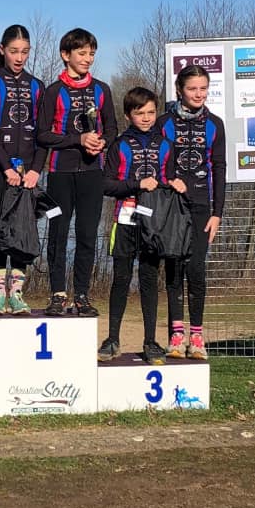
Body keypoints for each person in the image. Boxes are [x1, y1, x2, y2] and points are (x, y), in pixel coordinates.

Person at [37, 28, 117, 317]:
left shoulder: (102, 89)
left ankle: (82, 294)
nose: (87, 59)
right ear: (65, 54)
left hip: (92, 174)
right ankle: (58, 294)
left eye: (91, 54)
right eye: (82, 53)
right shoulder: (53, 91)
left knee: (87, 235)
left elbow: (112, 128)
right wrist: (78, 139)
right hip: (60, 173)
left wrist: (102, 142)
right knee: (58, 233)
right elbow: (43, 135)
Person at [99, 87, 180, 365]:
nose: (146, 118)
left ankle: (150, 341)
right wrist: (136, 184)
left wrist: (175, 184)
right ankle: (112, 339)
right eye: (139, 113)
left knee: (148, 278)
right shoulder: (119, 145)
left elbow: (169, 180)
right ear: (127, 115)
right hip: (125, 217)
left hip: (153, 222)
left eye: (151, 112)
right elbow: (106, 185)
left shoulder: (166, 145)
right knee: (121, 278)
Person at [0, 24, 47, 315]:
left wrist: (36, 169)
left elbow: (44, 132)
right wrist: (7, 167)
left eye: (25, 52)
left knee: (23, 226)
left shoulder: (37, 85)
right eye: (14, 51)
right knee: (1, 225)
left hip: (28, 170)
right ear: (2, 50)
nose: (19, 58)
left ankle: (16, 293)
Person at [159, 65, 227, 359]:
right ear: (179, 90)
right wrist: (168, 181)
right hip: (172, 206)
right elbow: (156, 162)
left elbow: (220, 169)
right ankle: (176, 335)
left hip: (201, 206)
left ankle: (196, 336)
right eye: (192, 89)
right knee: (174, 267)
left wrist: (217, 212)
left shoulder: (215, 124)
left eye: (203, 88)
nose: (199, 94)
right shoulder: (163, 123)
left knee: (196, 268)